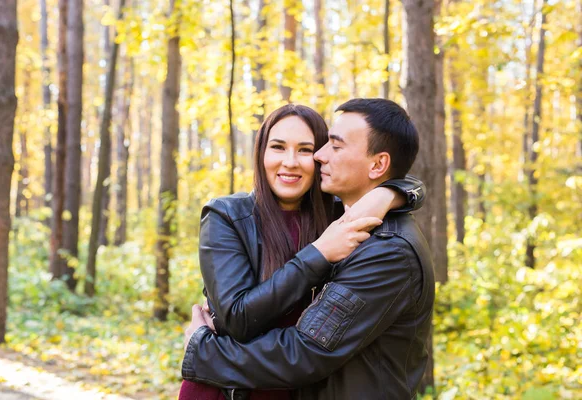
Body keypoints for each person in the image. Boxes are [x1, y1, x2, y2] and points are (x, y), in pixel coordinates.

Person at [181, 98, 435, 400]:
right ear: (260, 153)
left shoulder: (347, 223)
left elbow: (307, 351)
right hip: (232, 387)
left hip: (281, 380)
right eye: (277, 147)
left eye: (308, 149)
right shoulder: (230, 216)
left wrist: (391, 192)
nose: (315, 157)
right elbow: (239, 316)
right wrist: (320, 251)